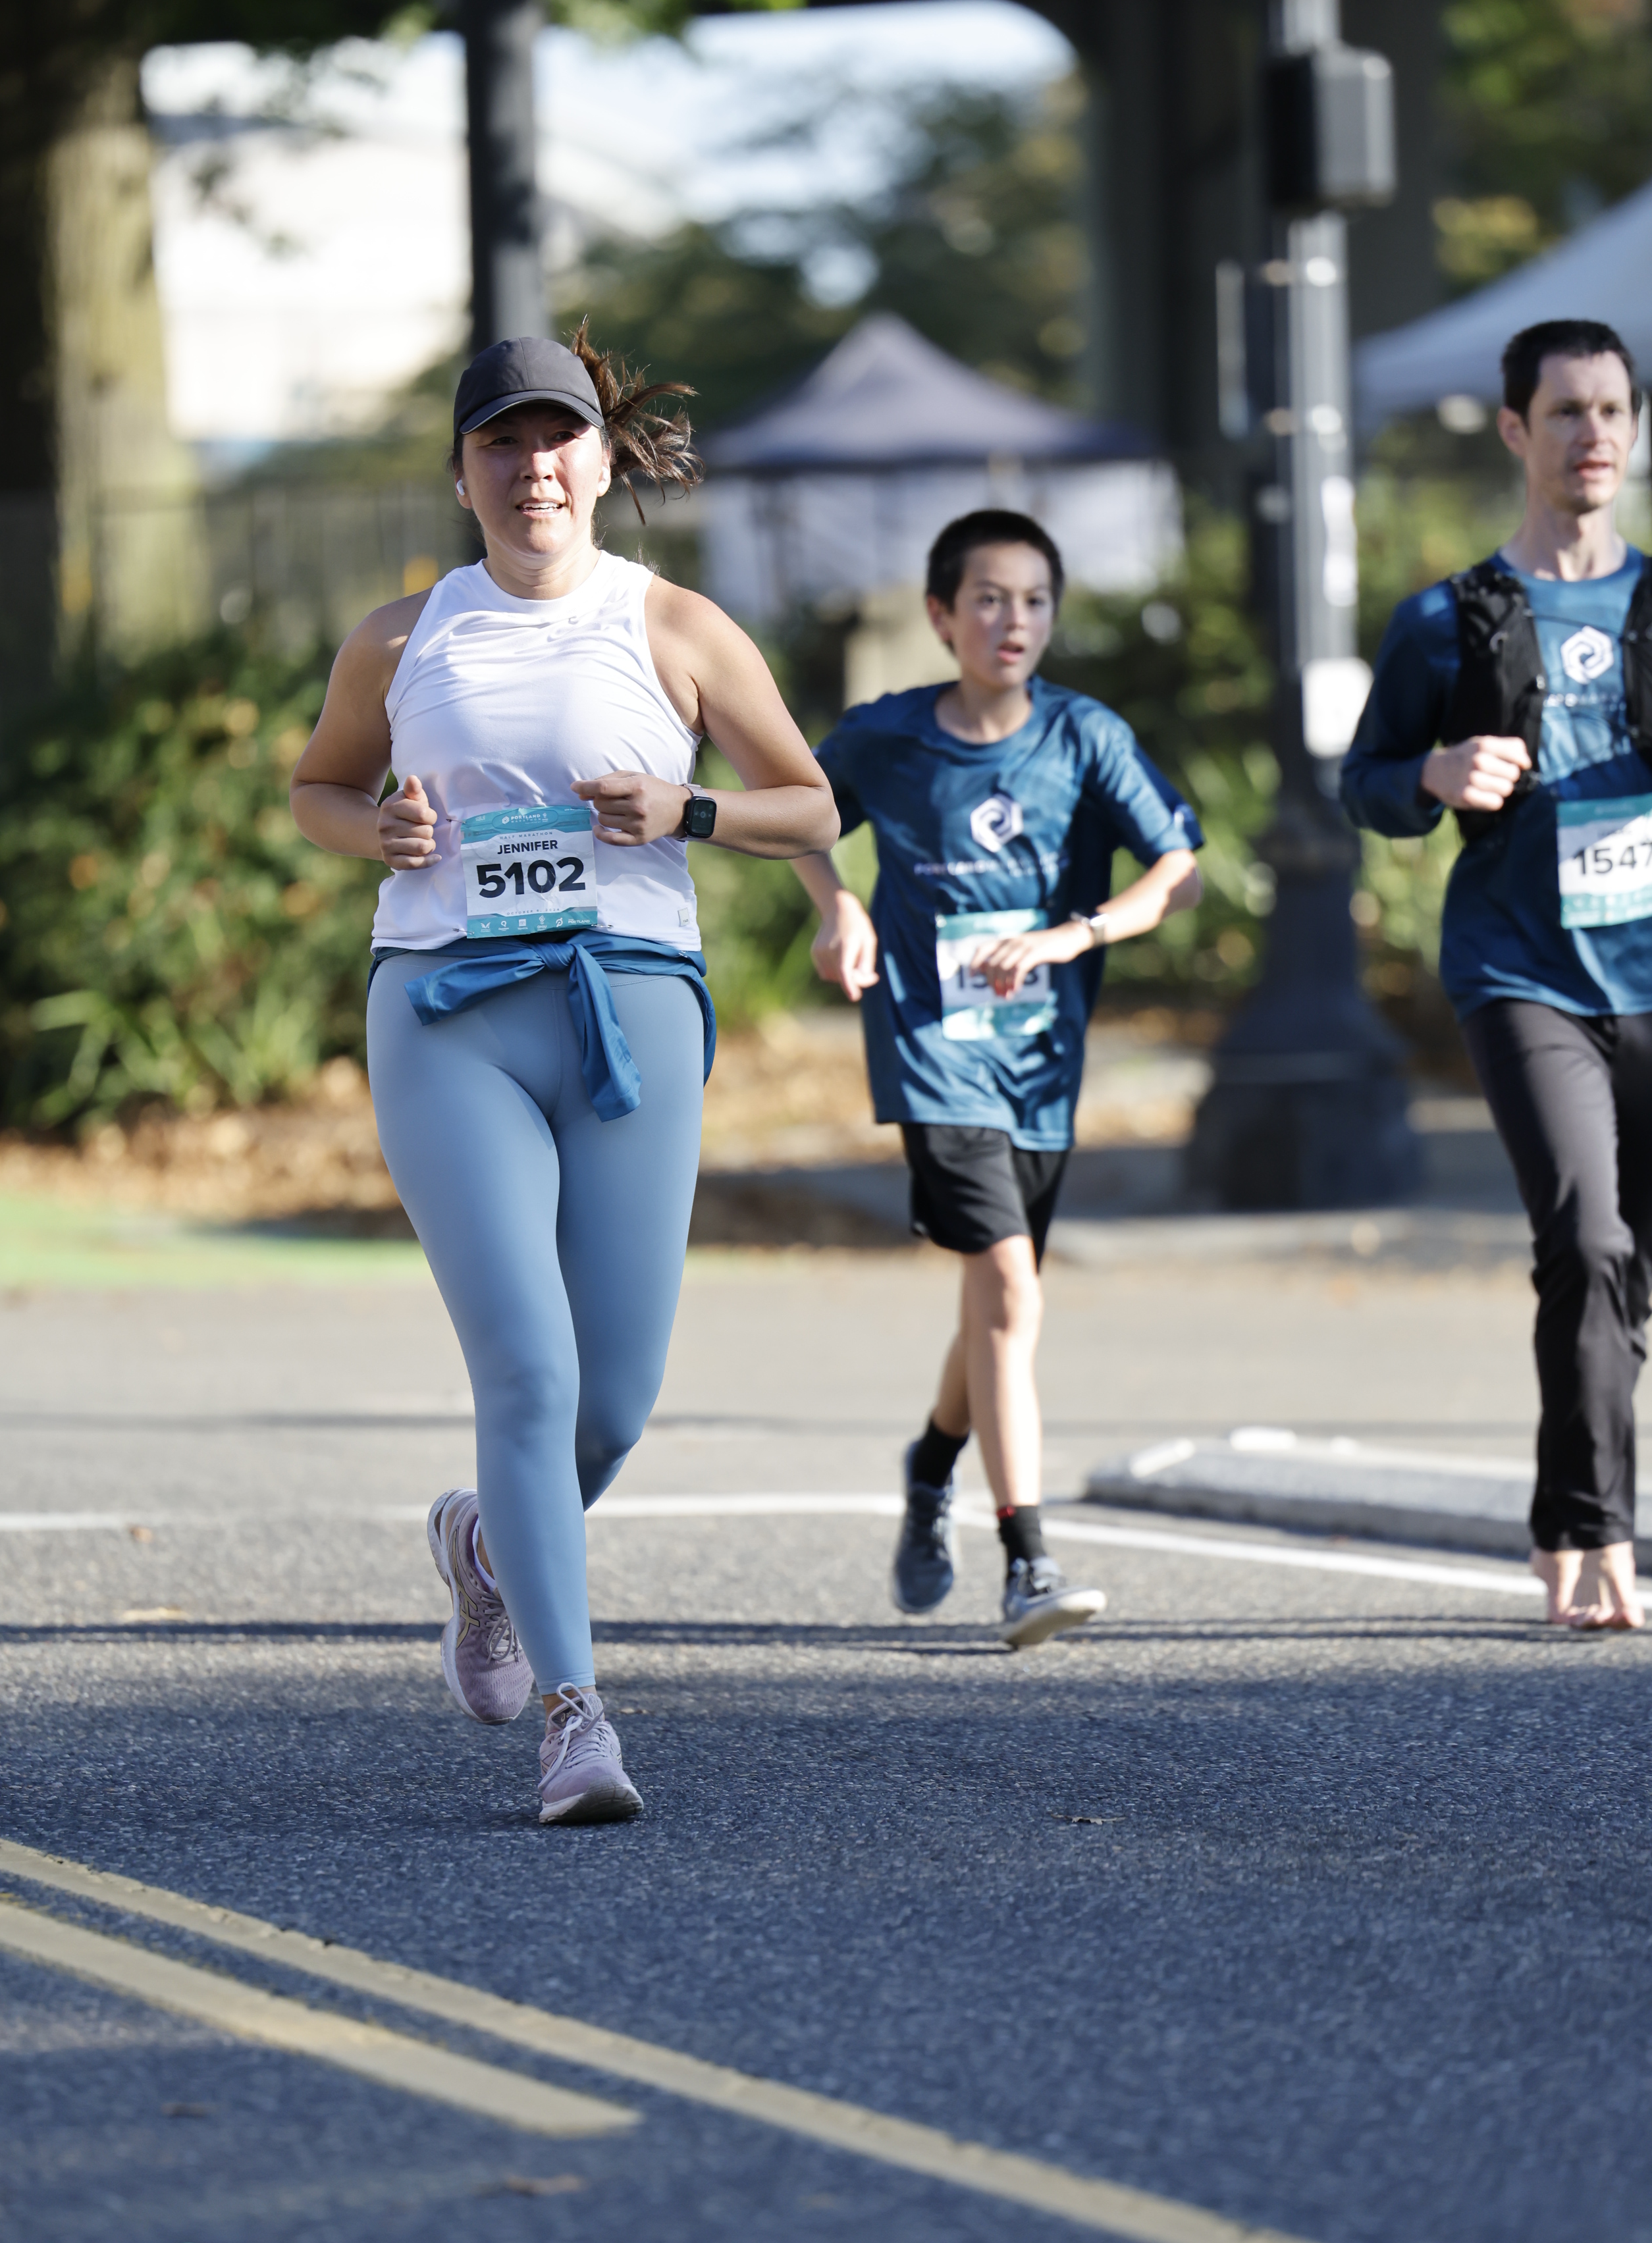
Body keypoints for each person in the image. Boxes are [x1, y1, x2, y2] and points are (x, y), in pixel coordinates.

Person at [290, 330, 837, 1819]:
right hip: (448, 1011)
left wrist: (689, 807)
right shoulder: (402, 638)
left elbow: (809, 803)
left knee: (615, 1401)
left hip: (630, 1008)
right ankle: (575, 1716)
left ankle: (483, 1547)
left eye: (558, 440)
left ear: (601, 462)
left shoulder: (678, 627)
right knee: (527, 1370)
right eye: (502, 444)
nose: (533, 467)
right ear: (463, 473)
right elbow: (319, 786)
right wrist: (376, 832)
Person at [794, 509, 1203, 1645]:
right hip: (933, 1056)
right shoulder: (887, 737)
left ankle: (932, 1464)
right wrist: (839, 906)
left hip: (1043, 1065)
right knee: (1012, 1293)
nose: (1012, 620)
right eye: (987, 598)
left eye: (1033, 600)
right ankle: (1029, 1560)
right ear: (941, 616)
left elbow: (1180, 870)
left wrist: (1080, 933)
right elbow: (794, 814)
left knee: (995, 1302)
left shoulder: (1083, 736)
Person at [1342, 317, 1651, 1631]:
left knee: (1627, 1269)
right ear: (1518, 430)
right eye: (1566, 412)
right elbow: (1362, 782)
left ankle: (1570, 1510)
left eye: (1613, 410)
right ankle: (1597, 1530)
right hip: (1524, 975)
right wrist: (1431, 770)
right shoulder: (1445, 621)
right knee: (1586, 1240)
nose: (1593, 435)